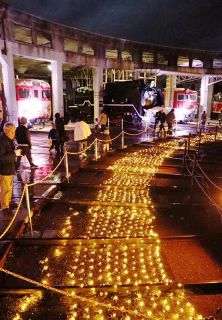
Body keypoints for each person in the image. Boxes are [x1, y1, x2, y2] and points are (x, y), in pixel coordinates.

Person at [0, 123, 22, 214]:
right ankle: (5, 206)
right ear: (6, 131)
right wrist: (14, 154)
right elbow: (1, 157)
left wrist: (18, 150)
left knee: (10, 187)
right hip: (4, 169)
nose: (14, 133)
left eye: (14, 131)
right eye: (12, 131)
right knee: (6, 188)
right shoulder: (2, 141)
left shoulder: (9, 139)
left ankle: (8, 202)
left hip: (9, 167)